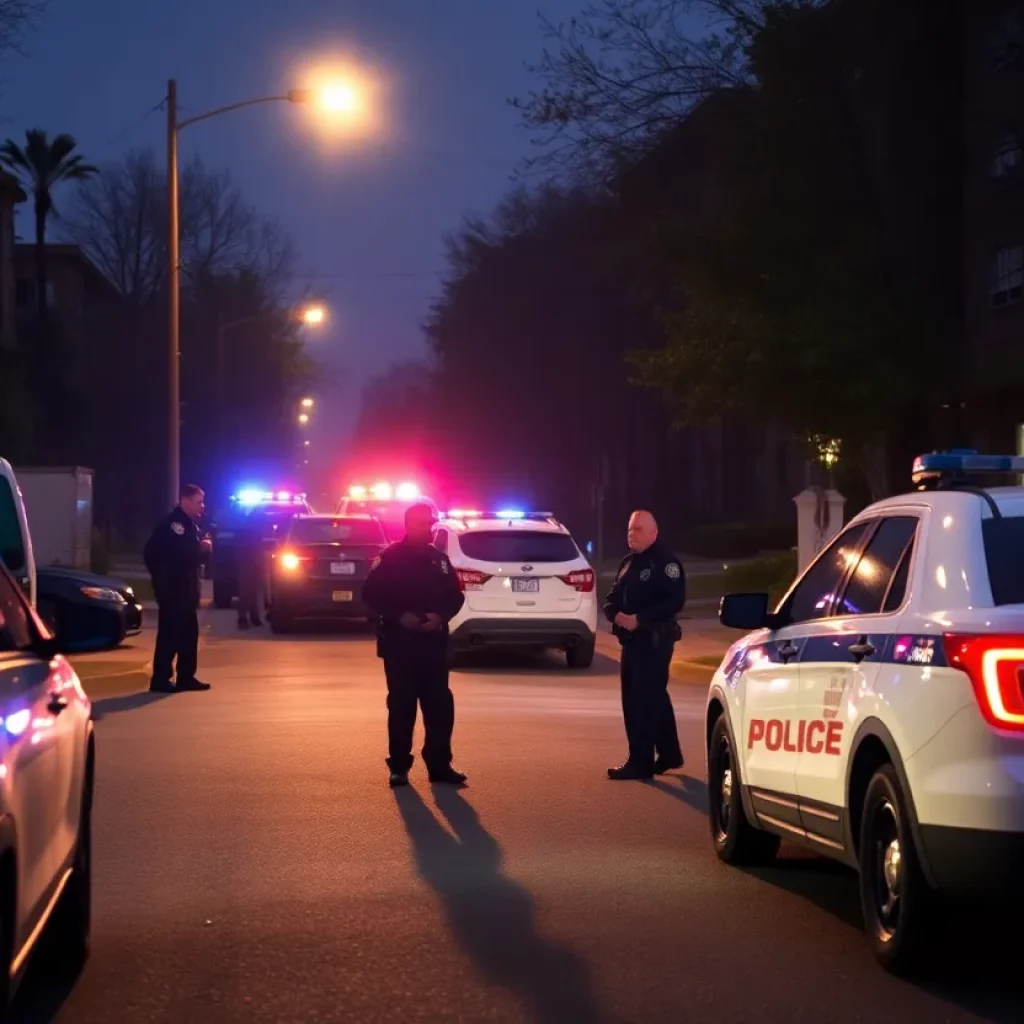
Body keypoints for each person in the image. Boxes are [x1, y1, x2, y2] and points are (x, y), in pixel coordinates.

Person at [363, 503, 467, 787]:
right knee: (401, 706)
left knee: (439, 707)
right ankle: (399, 766)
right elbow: (371, 594)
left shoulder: (440, 560)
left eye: (430, 522)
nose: (428, 528)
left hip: (433, 645)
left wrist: (440, 616)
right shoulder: (389, 558)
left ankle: (439, 766)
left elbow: (455, 597)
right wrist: (399, 616)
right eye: (421, 523)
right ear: (408, 525)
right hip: (400, 645)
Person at [603, 509, 686, 780]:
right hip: (631, 641)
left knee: (642, 700)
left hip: (655, 640)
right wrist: (616, 615)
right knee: (651, 696)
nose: (632, 534)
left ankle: (640, 762)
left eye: (638, 529)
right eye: (630, 529)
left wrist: (640, 619)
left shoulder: (666, 563)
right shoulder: (628, 562)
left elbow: (673, 601)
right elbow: (612, 597)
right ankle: (670, 754)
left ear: (654, 533)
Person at [143, 484, 212, 693]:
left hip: (187, 591)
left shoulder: (190, 525)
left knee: (189, 635)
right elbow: (171, 556)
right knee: (170, 635)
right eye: (199, 502)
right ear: (186, 501)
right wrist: (201, 549)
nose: (202, 506)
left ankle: (186, 677)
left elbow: (190, 558)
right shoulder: (172, 526)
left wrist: (202, 550)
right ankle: (160, 679)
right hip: (174, 591)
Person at [235, 512, 266, 629]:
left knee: (251, 591)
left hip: (252, 561)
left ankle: (251, 616)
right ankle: (245, 617)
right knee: (249, 590)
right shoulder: (249, 528)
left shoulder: (246, 526)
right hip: (249, 561)